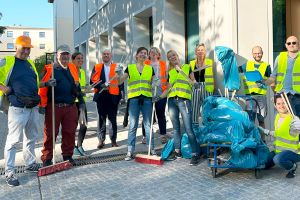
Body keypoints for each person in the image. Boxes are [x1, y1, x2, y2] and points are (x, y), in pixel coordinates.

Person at [0, 36, 45, 187]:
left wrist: (46, 83)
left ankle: (30, 163)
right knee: (13, 141)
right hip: (17, 108)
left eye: (28, 48)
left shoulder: (30, 63)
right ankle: (10, 172)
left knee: (31, 137)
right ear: (16, 47)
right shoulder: (7, 61)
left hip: (32, 107)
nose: (26, 51)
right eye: (23, 48)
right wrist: (4, 88)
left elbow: (35, 82)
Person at [39, 44, 85, 167]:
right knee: (50, 133)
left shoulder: (72, 68)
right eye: (62, 55)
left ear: (69, 56)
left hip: (70, 106)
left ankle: (67, 156)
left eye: (66, 55)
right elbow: (40, 85)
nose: (64, 57)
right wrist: (47, 85)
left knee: (69, 132)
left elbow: (77, 86)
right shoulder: (50, 69)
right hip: (54, 106)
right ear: (57, 56)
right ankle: (47, 158)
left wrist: (81, 102)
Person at [156, 50, 201, 166]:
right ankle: (177, 152)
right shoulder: (170, 72)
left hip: (184, 101)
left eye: (174, 55)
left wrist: (195, 84)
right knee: (175, 128)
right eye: (170, 57)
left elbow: (193, 81)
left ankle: (195, 153)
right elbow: (168, 89)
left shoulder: (186, 67)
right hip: (172, 101)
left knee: (188, 128)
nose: (172, 58)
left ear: (177, 56)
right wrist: (159, 97)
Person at [118, 47, 156, 161]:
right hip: (134, 100)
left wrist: (156, 82)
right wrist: (118, 73)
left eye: (145, 53)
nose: (143, 55)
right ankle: (130, 151)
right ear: (136, 55)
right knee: (133, 125)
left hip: (147, 99)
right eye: (141, 53)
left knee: (148, 125)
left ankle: (152, 148)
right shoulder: (129, 68)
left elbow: (154, 81)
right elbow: (120, 81)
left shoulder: (150, 69)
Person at [263, 94, 300, 178]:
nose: (281, 106)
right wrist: (268, 132)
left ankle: (293, 167)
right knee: (263, 163)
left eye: (284, 103)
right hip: (279, 150)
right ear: (275, 105)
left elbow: (296, 129)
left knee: (277, 159)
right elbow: (279, 133)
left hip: (293, 152)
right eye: (278, 104)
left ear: (288, 104)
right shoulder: (278, 117)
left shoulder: (294, 119)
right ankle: (280, 159)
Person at [90, 49, 121, 149]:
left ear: (111, 55)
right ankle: (101, 140)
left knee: (112, 119)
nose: (106, 55)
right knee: (101, 118)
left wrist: (121, 95)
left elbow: (121, 81)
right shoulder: (97, 66)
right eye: (104, 54)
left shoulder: (117, 67)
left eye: (108, 54)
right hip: (101, 95)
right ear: (102, 56)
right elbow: (92, 81)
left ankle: (113, 140)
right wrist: (101, 85)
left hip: (113, 96)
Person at [239, 46, 271, 140]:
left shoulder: (266, 66)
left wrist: (263, 81)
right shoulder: (247, 65)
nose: (257, 55)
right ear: (252, 54)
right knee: (250, 120)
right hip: (250, 97)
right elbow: (237, 70)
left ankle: (263, 141)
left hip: (261, 97)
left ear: (262, 53)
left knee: (261, 120)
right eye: (255, 53)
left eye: (259, 53)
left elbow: (271, 80)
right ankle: (252, 140)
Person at [265, 36, 300, 117]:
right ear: (286, 45)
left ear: (298, 44)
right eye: (289, 43)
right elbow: (273, 76)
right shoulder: (280, 57)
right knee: (282, 120)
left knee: (297, 122)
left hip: (297, 96)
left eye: (294, 43)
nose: (291, 45)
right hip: (281, 95)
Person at [142, 47, 168, 144]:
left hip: (161, 92)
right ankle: (145, 136)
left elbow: (167, 77)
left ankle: (163, 135)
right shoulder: (145, 64)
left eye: (155, 52)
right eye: (151, 52)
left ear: (158, 54)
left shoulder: (163, 64)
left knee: (160, 114)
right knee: (147, 115)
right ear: (149, 54)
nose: (153, 54)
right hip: (148, 92)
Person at [189, 43, 214, 125]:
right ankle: (194, 126)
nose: (200, 52)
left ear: (205, 51)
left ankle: (207, 125)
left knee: (207, 108)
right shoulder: (191, 63)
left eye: (202, 50)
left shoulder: (209, 62)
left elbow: (212, 76)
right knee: (194, 107)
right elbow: (190, 76)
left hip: (207, 87)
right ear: (195, 52)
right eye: (198, 50)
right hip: (195, 86)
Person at [71, 52, 88, 156]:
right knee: (72, 126)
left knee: (84, 125)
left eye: (82, 58)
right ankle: (73, 148)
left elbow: (82, 87)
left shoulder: (82, 71)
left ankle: (80, 145)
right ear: (73, 60)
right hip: (72, 102)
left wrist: (87, 89)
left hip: (82, 103)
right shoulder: (70, 71)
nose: (80, 60)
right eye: (78, 58)